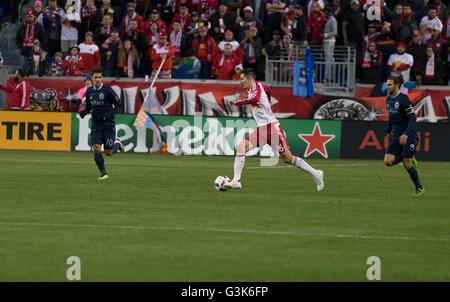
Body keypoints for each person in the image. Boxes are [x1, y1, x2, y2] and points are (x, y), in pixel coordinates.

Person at [227, 68, 324, 191]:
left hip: (272, 128)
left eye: (242, 79)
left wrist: (238, 102)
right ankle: (236, 180)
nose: (240, 82)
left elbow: (256, 99)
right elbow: (267, 90)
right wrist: (268, 99)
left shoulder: (256, 88)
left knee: (287, 158)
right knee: (241, 147)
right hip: (261, 129)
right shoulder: (258, 88)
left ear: (249, 78)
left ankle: (316, 173)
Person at [79, 67, 125, 180]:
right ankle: (103, 173)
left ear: (102, 78)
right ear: (92, 78)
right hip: (96, 124)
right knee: (96, 148)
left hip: (108, 124)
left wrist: (108, 115)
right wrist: (84, 112)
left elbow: (119, 105)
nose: (98, 79)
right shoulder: (89, 91)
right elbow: (89, 106)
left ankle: (117, 144)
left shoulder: (108, 90)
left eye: (100, 77)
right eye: (96, 77)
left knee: (108, 152)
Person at [384, 75, 424, 196]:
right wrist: (388, 130)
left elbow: (413, 118)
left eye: (390, 84)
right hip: (396, 135)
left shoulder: (404, 99)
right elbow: (391, 116)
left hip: (408, 136)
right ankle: (408, 157)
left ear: (396, 85)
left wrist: (407, 133)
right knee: (388, 161)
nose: (387, 87)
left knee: (407, 165)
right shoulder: (388, 99)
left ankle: (419, 188)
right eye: (387, 84)